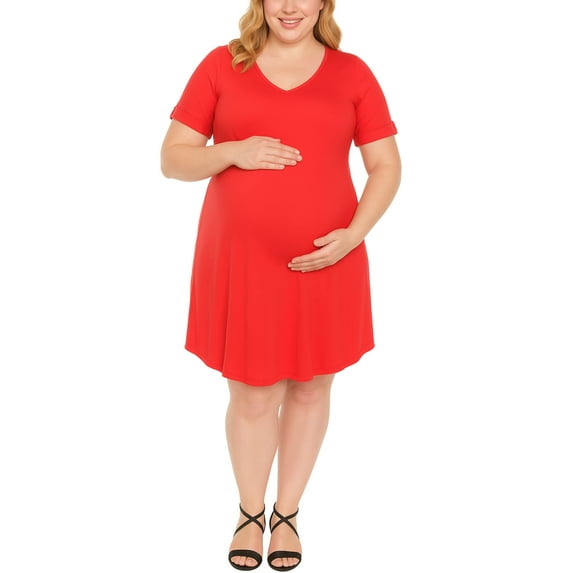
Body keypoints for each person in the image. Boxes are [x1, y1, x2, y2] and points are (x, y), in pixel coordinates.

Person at [160, 0, 401, 569]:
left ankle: (287, 515)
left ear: (324, 4)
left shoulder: (353, 73)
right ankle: (250, 513)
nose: (290, 7)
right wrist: (233, 151)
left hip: (328, 259)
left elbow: (386, 166)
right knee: (252, 392)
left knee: (312, 387)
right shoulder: (222, 65)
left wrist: (353, 236)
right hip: (241, 260)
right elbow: (172, 160)